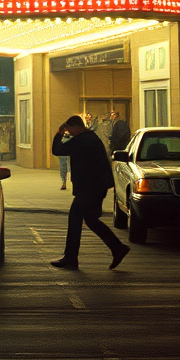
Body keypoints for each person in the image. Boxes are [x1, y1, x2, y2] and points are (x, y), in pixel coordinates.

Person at [50, 114, 129, 271]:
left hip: (90, 189)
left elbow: (58, 150)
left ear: (76, 127)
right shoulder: (90, 138)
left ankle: (71, 257)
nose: (69, 133)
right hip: (95, 187)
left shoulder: (82, 140)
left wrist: (59, 134)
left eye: (70, 129)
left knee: (75, 218)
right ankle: (117, 248)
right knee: (91, 220)